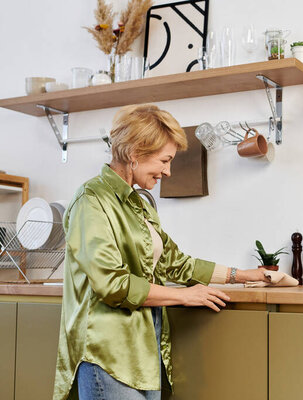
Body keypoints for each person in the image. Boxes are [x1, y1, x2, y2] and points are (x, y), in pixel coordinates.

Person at [53, 104, 268, 400]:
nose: (168, 171)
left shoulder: (138, 204)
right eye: (164, 160)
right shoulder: (92, 201)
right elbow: (111, 284)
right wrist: (184, 295)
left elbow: (174, 263)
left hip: (145, 350)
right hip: (107, 354)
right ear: (135, 153)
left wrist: (243, 275)